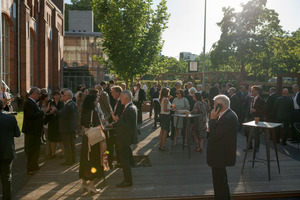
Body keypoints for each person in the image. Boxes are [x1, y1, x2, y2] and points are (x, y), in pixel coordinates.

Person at [207, 94, 238, 200]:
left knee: (220, 182)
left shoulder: (229, 117)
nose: (213, 107)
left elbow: (215, 135)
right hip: (218, 155)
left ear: (221, 105)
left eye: (215, 104)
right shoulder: (225, 115)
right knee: (219, 182)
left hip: (220, 156)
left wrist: (212, 120)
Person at [79, 94, 106, 194]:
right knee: (93, 160)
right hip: (93, 140)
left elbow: (82, 125)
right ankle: (91, 185)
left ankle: (83, 183)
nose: (97, 102)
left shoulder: (84, 111)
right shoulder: (93, 112)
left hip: (86, 138)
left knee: (85, 159)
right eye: (96, 100)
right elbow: (100, 126)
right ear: (92, 101)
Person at [113, 90, 137, 187]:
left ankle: (127, 181)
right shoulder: (130, 107)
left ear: (126, 98)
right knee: (125, 160)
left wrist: (117, 120)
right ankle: (127, 180)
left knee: (124, 161)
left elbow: (128, 126)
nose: (120, 99)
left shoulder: (130, 109)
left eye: (121, 98)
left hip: (125, 139)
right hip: (125, 138)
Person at [0, 100, 21, 200]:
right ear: (3, 107)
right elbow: (17, 134)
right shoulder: (10, 118)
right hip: (7, 151)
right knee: (7, 177)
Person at [51, 89, 78, 165]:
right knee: (72, 145)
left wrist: (55, 110)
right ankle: (73, 159)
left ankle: (69, 160)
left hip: (66, 128)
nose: (62, 96)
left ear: (69, 96)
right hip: (71, 127)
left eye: (64, 95)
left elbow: (63, 115)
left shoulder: (68, 105)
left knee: (67, 145)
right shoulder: (73, 104)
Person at [22, 87, 44, 175]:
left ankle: (35, 164)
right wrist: (42, 112)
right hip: (31, 130)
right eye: (38, 94)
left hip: (36, 130)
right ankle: (30, 168)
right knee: (31, 149)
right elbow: (31, 115)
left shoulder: (33, 103)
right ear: (33, 93)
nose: (39, 95)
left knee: (36, 148)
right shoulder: (28, 102)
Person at [107, 86, 125, 169]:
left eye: (113, 92)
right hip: (115, 127)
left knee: (117, 146)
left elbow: (120, 117)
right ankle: (118, 162)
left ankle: (120, 162)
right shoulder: (117, 101)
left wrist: (113, 124)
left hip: (118, 129)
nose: (111, 93)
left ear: (118, 93)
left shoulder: (121, 102)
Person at [245, 85, 265, 151]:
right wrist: (246, 116)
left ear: (256, 91)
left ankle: (257, 147)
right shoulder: (250, 98)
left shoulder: (261, 100)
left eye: (252, 91)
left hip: (257, 118)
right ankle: (249, 145)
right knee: (247, 132)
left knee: (256, 133)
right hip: (249, 117)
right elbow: (247, 108)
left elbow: (263, 110)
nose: (251, 92)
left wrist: (256, 110)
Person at [47, 90, 64, 159]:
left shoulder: (61, 103)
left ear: (60, 96)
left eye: (58, 95)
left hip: (59, 122)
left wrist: (55, 111)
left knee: (61, 139)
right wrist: (49, 111)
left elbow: (62, 112)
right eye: (55, 95)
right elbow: (47, 110)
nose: (57, 96)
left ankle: (63, 153)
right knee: (53, 139)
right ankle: (53, 153)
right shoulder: (51, 102)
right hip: (52, 122)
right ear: (53, 96)